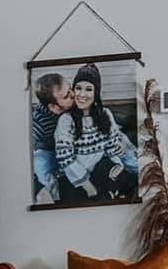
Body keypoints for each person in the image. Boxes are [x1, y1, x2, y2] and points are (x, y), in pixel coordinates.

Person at [54, 62, 137, 202]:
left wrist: (118, 156)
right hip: (75, 176)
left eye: (88, 89)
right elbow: (65, 159)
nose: (82, 94)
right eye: (78, 88)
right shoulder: (66, 119)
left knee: (123, 182)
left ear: (95, 92)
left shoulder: (105, 114)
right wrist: (89, 187)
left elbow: (112, 147)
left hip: (100, 170)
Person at [32, 73, 75, 202]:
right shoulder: (38, 123)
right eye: (67, 96)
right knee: (39, 162)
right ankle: (53, 198)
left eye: (70, 89)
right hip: (50, 153)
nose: (73, 94)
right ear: (53, 107)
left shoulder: (73, 105)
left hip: (71, 148)